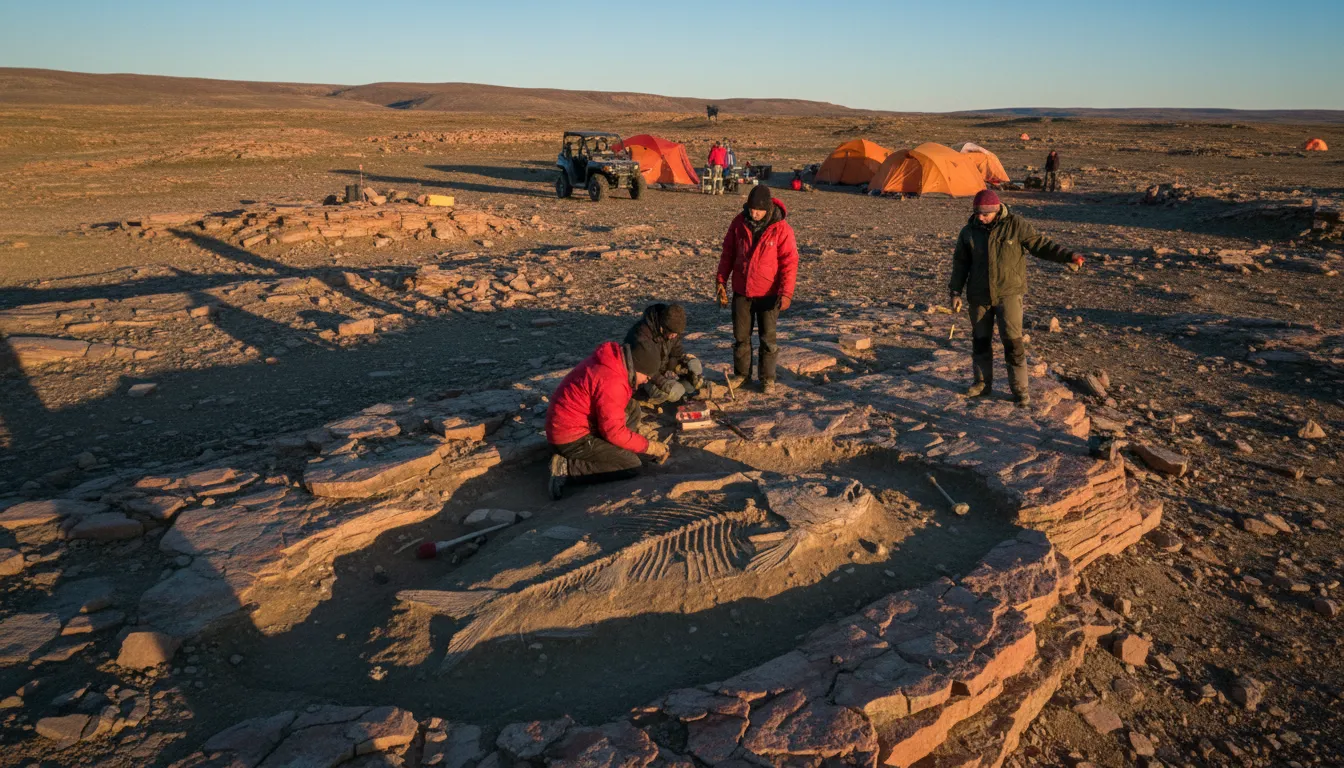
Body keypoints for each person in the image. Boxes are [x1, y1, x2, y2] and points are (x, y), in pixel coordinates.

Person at [948, 190, 1083, 407]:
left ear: (996, 210)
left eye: (984, 214)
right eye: (976, 213)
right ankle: (982, 383)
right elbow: (960, 264)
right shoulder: (969, 232)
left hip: (1009, 295)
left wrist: (1068, 256)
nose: (979, 217)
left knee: (1013, 343)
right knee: (980, 342)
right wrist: (955, 292)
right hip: (979, 296)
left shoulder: (1016, 226)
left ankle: (1020, 390)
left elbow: (1041, 245)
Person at [545, 341, 669, 499]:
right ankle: (567, 468)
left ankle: (616, 450)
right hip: (568, 436)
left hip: (569, 422)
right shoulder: (613, 381)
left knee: (631, 407)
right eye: (646, 376)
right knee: (631, 465)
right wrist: (648, 447)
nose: (646, 380)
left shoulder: (614, 362)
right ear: (637, 368)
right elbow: (614, 431)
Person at [716, 184, 798, 394]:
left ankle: (767, 378)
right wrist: (721, 281)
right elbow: (728, 253)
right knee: (741, 337)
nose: (754, 213)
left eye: (758, 210)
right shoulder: (738, 223)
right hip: (742, 292)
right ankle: (742, 375)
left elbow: (789, 262)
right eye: (751, 209)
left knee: (767, 339)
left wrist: (786, 293)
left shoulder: (781, 229)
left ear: (767, 207)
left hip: (769, 295)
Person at [624, 303, 704, 405]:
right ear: (663, 327)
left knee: (689, 386)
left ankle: (668, 399)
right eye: (672, 333)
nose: (674, 336)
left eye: (677, 334)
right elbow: (645, 369)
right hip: (645, 378)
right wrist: (664, 383)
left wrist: (689, 363)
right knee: (666, 393)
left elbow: (676, 353)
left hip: (664, 372)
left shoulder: (672, 331)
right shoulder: (642, 336)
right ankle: (645, 399)